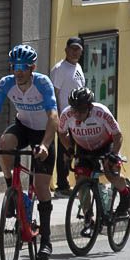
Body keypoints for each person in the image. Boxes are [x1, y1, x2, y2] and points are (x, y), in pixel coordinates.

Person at [0, 43, 60, 260]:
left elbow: (53, 118)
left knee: (40, 187)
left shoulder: (42, 83)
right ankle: (10, 186)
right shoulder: (6, 83)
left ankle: (46, 241)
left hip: (43, 132)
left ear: (32, 67)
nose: (18, 71)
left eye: (23, 66)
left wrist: (46, 145)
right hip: (23, 127)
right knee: (4, 143)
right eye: (14, 66)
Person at [58, 87, 130, 218]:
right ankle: (88, 217)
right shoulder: (66, 115)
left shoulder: (101, 112)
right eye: (74, 110)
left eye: (81, 111)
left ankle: (125, 197)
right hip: (83, 148)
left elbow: (117, 135)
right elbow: (62, 133)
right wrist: (69, 149)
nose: (77, 114)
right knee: (81, 182)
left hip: (105, 146)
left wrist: (114, 154)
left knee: (111, 174)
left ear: (90, 107)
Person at [49, 37, 86, 197]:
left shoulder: (77, 67)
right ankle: (62, 185)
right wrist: (56, 118)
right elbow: (53, 93)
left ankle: (71, 183)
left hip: (77, 120)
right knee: (65, 150)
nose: (75, 52)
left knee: (73, 151)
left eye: (78, 49)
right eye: (72, 48)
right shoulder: (60, 69)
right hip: (65, 119)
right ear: (66, 50)